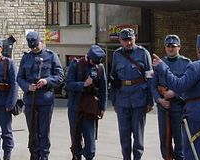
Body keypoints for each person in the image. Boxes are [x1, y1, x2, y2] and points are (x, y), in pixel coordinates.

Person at [17, 31, 64, 160]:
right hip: (30, 101)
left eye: (36, 45)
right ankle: (34, 155)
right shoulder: (26, 58)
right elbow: (20, 78)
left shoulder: (51, 56)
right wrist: (27, 86)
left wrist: (46, 81)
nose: (34, 48)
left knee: (43, 132)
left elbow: (60, 76)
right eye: (32, 47)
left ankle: (44, 156)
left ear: (41, 42)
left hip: (45, 100)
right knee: (33, 132)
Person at [110, 28, 154, 160]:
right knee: (124, 134)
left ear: (135, 38)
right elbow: (113, 79)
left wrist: (150, 101)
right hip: (122, 99)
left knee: (138, 135)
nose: (128, 43)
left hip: (139, 99)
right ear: (120, 41)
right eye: (125, 40)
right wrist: (114, 101)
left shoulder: (143, 53)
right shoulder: (117, 55)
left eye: (130, 39)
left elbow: (150, 78)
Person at [150, 34, 190, 160]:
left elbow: (190, 85)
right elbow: (153, 85)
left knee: (180, 139)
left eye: (173, 46)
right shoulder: (159, 64)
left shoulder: (186, 63)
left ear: (179, 47)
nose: (170, 49)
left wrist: (175, 93)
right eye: (168, 46)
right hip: (163, 108)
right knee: (164, 139)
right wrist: (159, 100)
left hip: (179, 106)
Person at [65, 45, 108, 160]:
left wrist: (103, 107)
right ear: (88, 57)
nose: (95, 65)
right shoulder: (76, 64)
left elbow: (103, 89)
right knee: (75, 138)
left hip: (90, 108)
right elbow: (68, 84)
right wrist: (83, 84)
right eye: (93, 62)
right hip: (75, 107)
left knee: (90, 140)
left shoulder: (100, 68)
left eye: (97, 63)